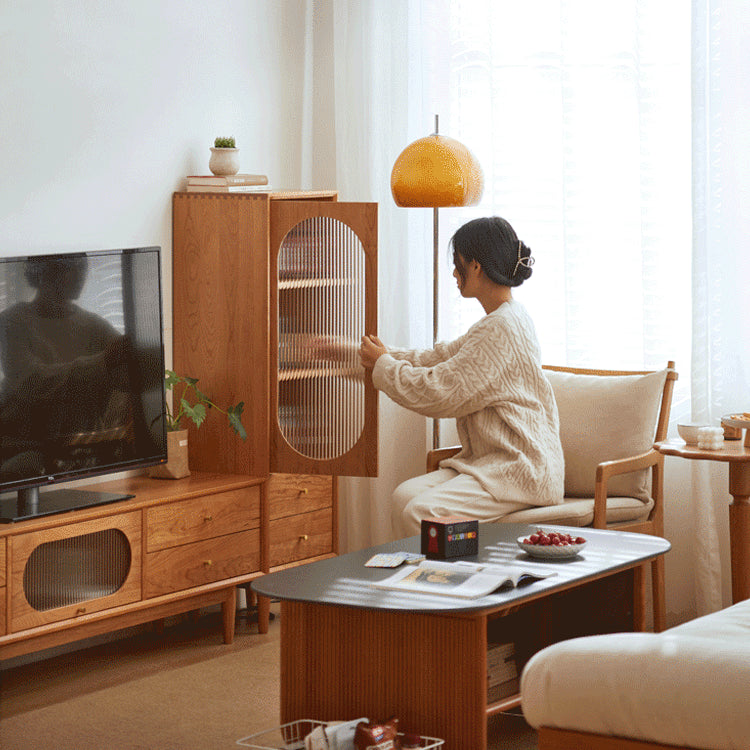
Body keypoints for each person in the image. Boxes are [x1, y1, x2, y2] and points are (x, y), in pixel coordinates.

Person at [359, 216, 565, 538]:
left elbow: (440, 392)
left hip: (521, 468)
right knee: (403, 497)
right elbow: (437, 358)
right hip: (491, 463)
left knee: (421, 513)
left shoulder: (501, 328)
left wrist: (383, 365)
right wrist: (376, 355)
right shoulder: (504, 318)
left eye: (458, 264)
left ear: (476, 266)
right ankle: (426, 580)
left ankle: (451, 584)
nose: (455, 274)